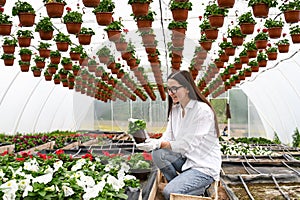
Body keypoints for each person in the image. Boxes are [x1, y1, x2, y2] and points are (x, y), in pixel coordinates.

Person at [136, 70, 221, 200]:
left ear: (187, 88)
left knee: (169, 193)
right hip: (186, 161)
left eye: (174, 88)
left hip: (203, 167)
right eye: (169, 89)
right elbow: (168, 136)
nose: (171, 93)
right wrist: (152, 142)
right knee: (158, 153)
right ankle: (181, 185)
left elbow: (187, 145)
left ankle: (194, 188)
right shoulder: (175, 110)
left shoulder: (202, 111)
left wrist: (159, 143)